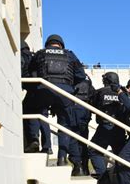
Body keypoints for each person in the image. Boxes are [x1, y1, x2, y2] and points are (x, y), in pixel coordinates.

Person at [25, 34, 87, 176]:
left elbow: (31, 71)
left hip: (44, 89)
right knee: (64, 126)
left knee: (34, 110)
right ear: (61, 44)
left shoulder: (41, 53)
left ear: (48, 44)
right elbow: (81, 76)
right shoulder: (70, 55)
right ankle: (61, 158)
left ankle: (34, 139)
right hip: (64, 92)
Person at [89, 72, 126, 180]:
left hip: (104, 128)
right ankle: (123, 182)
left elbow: (92, 105)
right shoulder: (123, 93)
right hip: (120, 129)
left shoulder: (100, 92)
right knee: (120, 156)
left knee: (94, 151)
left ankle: (104, 179)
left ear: (107, 81)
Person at [71, 76, 95, 174]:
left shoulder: (71, 78)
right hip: (85, 110)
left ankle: (77, 165)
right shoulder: (87, 80)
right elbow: (93, 95)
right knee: (83, 141)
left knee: (72, 139)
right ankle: (84, 167)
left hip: (74, 108)